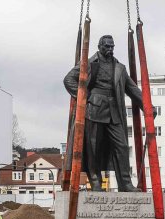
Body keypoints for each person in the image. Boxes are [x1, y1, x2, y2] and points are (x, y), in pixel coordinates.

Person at [63, 34, 146, 192]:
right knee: (93, 148)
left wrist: (148, 107)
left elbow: (132, 88)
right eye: (107, 46)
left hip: (114, 111)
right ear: (99, 47)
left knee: (121, 146)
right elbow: (68, 80)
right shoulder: (89, 63)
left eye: (112, 46)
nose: (110, 49)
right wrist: (85, 97)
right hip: (94, 110)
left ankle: (125, 184)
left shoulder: (119, 67)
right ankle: (95, 181)